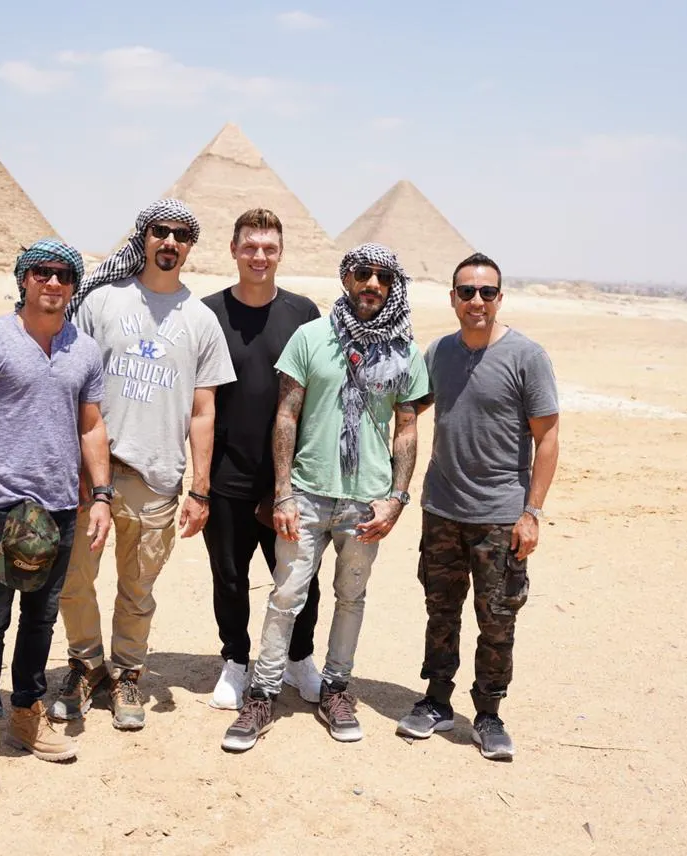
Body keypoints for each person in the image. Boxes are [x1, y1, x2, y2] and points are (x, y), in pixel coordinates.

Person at [222, 243, 429, 752]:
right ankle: (263, 693)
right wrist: (283, 493)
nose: (373, 284)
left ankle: (336, 688)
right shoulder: (311, 337)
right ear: (346, 277)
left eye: (384, 277)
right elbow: (287, 414)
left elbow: (406, 428)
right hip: (308, 493)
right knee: (286, 595)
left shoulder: (405, 351)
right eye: (363, 273)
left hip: (367, 501)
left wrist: (397, 498)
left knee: (351, 597)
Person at [51, 199, 236, 731]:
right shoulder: (102, 301)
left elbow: (203, 411)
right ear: (143, 236)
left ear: (190, 246)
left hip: (156, 478)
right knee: (73, 582)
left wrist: (200, 489)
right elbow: (71, 384)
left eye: (181, 234)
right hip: (93, 472)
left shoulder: (201, 320)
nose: (170, 242)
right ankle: (86, 665)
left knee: (137, 590)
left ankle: (128, 671)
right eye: (160, 231)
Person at [0, 239, 114, 797]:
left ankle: (26, 712)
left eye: (64, 274)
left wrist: (102, 495)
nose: (53, 282)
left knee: (41, 620)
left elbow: (91, 425)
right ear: (23, 279)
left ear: (74, 285)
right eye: (41, 272)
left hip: (60, 505)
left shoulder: (84, 350)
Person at [395, 251, 560, 762]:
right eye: (467, 292)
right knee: (440, 612)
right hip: (442, 509)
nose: (476, 301)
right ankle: (436, 700)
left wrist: (531, 514)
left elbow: (548, 439)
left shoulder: (527, 356)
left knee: (497, 620)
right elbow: (410, 406)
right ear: (453, 298)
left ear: (500, 298)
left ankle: (488, 714)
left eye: (486, 292)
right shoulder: (440, 352)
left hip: (500, 517)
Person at [201, 208, 324, 710]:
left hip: (290, 478)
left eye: (269, 248)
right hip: (226, 472)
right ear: (233, 249)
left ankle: (299, 658)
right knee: (229, 577)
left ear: (281, 253)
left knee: (300, 578)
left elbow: (319, 394)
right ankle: (235, 661)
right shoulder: (207, 313)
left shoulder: (304, 313)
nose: (259, 256)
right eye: (250, 246)